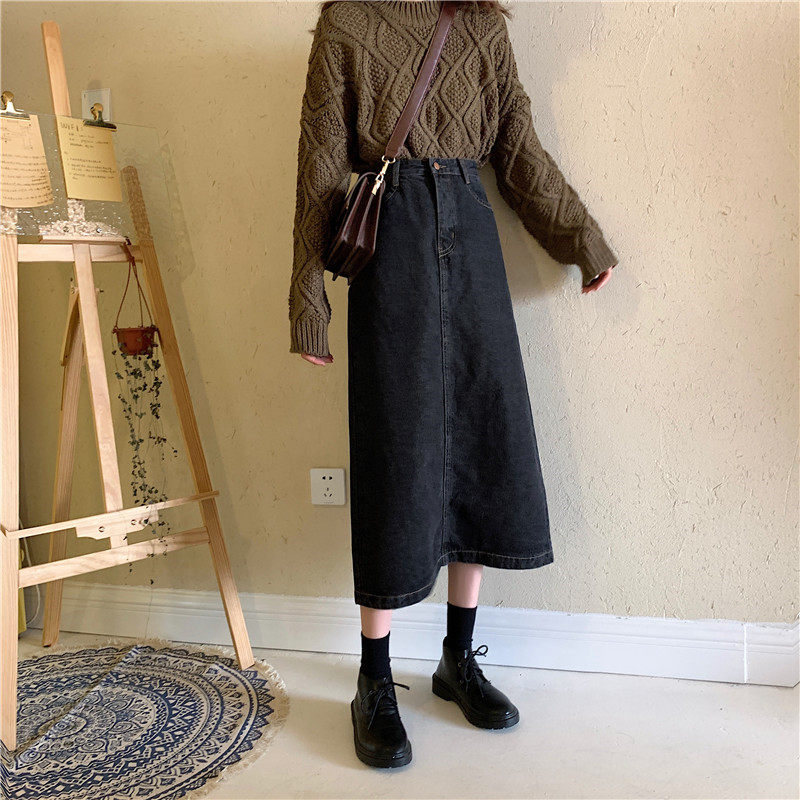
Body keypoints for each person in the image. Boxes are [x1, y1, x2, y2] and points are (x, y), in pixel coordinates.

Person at [289, 0, 616, 769]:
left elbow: (518, 148)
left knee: (482, 443)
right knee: (395, 453)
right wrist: (308, 303)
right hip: (391, 245)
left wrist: (582, 239)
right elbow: (319, 165)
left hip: (472, 239)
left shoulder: (482, 27)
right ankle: (373, 680)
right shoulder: (347, 24)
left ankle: (457, 659)